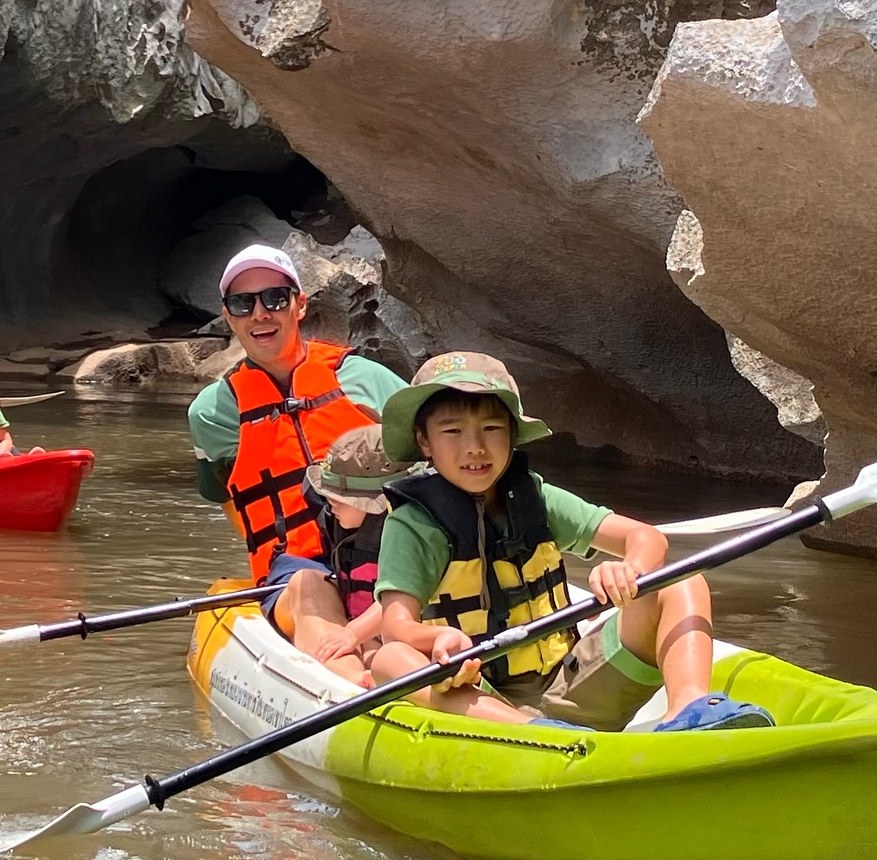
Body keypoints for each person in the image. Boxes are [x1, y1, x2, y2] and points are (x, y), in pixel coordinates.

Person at [370, 353, 775, 734]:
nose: (474, 446)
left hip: (570, 682)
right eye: (453, 430)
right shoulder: (414, 526)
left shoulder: (534, 497)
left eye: (491, 428)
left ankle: (688, 709)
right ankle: (533, 735)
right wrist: (439, 640)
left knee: (680, 580)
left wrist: (630, 569)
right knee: (390, 660)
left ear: (512, 434)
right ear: (424, 442)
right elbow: (395, 626)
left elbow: (644, 536)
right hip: (479, 697)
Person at [187, 244, 407, 670]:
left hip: (384, 552)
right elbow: (227, 496)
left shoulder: (365, 378)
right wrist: (271, 554)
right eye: (242, 303)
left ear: (299, 305)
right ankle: (353, 687)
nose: (260, 313)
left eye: (274, 298)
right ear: (229, 317)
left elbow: (436, 460)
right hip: (294, 568)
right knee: (309, 584)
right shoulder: (211, 414)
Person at [298, 424, 401, 682]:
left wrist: (353, 633)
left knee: (383, 656)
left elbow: (402, 598)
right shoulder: (342, 522)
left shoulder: (405, 533)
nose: (330, 503)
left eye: (339, 498)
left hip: (398, 634)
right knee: (369, 653)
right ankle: (361, 676)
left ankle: (367, 679)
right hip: (370, 634)